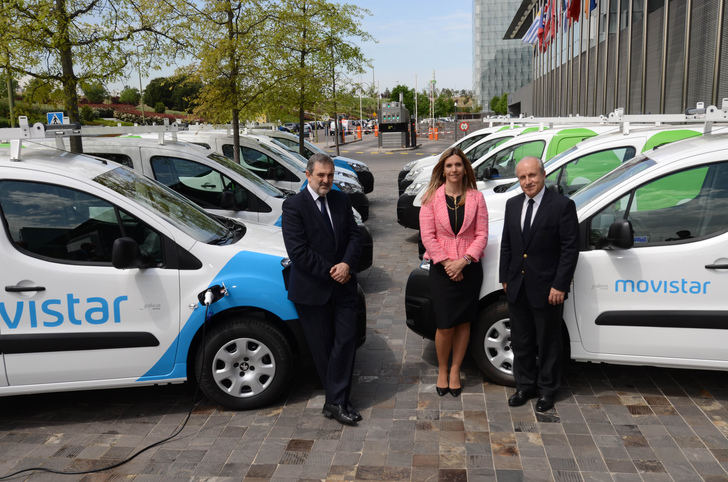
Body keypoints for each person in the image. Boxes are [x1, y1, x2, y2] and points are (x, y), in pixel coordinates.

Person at [281, 153, 362, 426]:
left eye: (330, 175)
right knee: (323, 349)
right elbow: (298, 252)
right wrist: (333, 271)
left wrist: (347, 264)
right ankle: (337, 402)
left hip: (344, 286)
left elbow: (355, 235)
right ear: (308, 175)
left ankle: (337, 400)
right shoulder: (293, 207)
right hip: (313, 290)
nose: (326, 180)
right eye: (321, 176)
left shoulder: (341, 200)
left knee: (346, 341)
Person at [499, 156, 579, 412]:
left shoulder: (562, 206)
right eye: (522, 177)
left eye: (532, 175)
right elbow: (507, 244)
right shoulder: (512, 205)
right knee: (521, 340)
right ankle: (524, 386)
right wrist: (504, 277)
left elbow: (569, 249)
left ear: (543, 175)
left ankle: (547, 390)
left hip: (548, 289)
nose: (527, 182)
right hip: (517, 286)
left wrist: (560, 285)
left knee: (548, 342)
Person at [419, 147, 488, 398]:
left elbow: (481, 234)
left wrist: (464, 260)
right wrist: (448, 263)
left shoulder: (476, 198)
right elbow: (428, 236)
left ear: (465, 168)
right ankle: (443, 370)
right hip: (441, 269)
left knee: (463, 323)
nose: (454, 170)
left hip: (469, 268)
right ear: (442, 170)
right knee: (445, 324)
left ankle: (456, 370)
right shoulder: (430, 198)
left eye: (458, 165)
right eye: (449, 166)